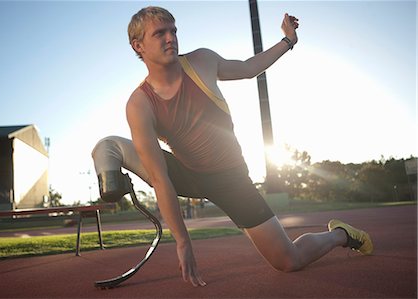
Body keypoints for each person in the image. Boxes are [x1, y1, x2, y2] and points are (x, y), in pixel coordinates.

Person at [91, 6, 373, 287]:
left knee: (289, 260)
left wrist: (289, 40)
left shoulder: (201, 61)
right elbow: (160, 177)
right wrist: (182, 240)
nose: (171, 38)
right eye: (160, 33)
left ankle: (341, 235)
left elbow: (249, 68)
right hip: (186, 173)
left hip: (231, 178)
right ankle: (113, 188)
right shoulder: (140, 104)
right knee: (108, 145)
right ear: (138, 45)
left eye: (173, 31)